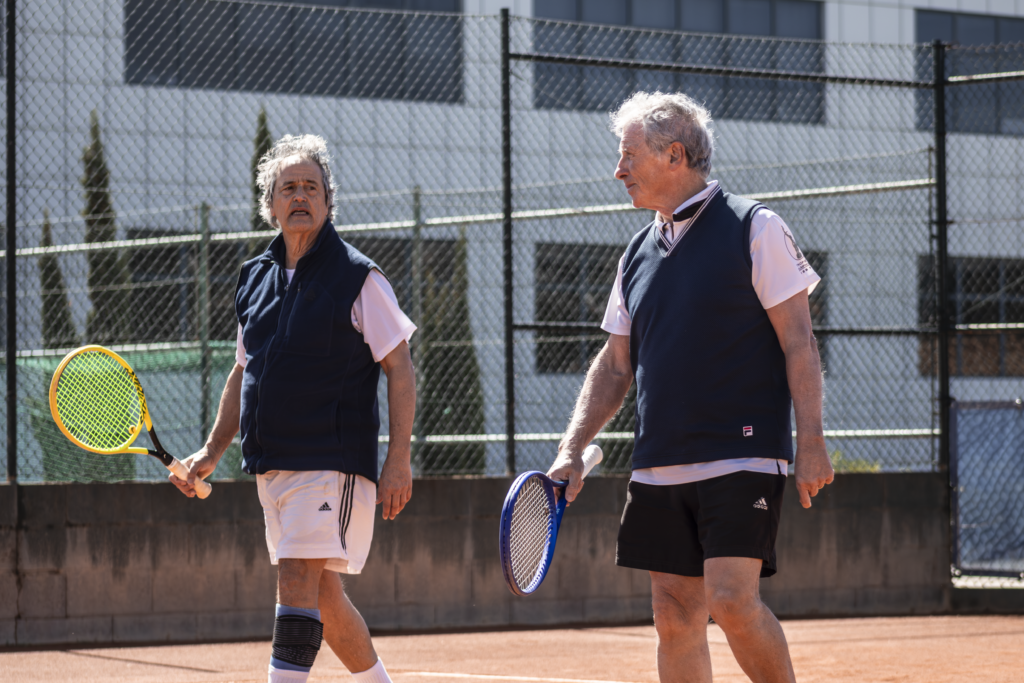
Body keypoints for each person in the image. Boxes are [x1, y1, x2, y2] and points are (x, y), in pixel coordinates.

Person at [547, 92, 834, 683]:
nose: (618, 170)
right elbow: (615, 364)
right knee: (674, 615)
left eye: (628, 156)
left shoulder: (756, 226)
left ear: (673, 154)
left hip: (744, 451)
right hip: (660, 463)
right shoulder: (635, 252)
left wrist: (811, 440)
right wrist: (572, 447)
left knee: (731, 599)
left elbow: (800, 341)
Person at [170, 134, 415, 683]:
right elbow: (243, 370)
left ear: (329, 200)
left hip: (331, 461)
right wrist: (212, 451)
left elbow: (400, 367)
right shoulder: (253, 277)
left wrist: (398, 458)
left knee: (296, 582)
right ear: (271, 204)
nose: (300, 196)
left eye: (311, 186)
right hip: (271, 464)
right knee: (322, 596)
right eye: (288, 188)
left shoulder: (359, 277)